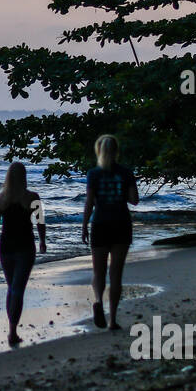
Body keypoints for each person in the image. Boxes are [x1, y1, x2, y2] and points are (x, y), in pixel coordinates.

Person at [0, 162, 46, 346]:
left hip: (5, 247)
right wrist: (43, 240)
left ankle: (12, 330)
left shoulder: (1, 199)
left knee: (12, 288)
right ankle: (12, 332)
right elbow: (40, 223)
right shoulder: (33, 197)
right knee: (17, 289)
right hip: (25, 247)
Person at [82, 134, 139, 330]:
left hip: (100, 224)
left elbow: (89, 202)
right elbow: (134, 200)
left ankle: (98, 301)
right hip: (121, 224)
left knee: (98, 271)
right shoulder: (126, 173)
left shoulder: (93, 174)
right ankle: (113, 320)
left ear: (99, 150)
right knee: (116, 274)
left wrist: (83, 226)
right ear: (116, 151)